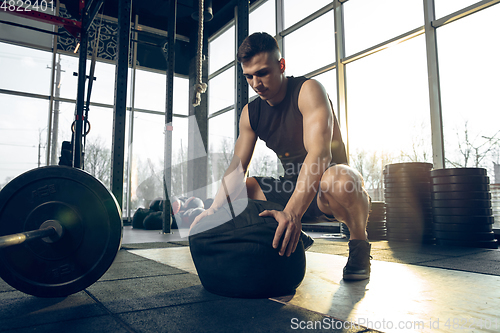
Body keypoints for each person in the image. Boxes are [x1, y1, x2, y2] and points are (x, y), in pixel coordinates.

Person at [193, 32, 371, 281]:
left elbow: (319, 153)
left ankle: (359, 247)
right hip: (291, 186)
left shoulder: (308, 91)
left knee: (339, 180)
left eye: (263, 72)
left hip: (326, 188)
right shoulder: (251, 113)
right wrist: (214, 209)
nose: (256, 83)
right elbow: (236, 167)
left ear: (281, 65)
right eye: (249, 76)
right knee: (242, 192)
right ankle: (295, 239)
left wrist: (292, 213)